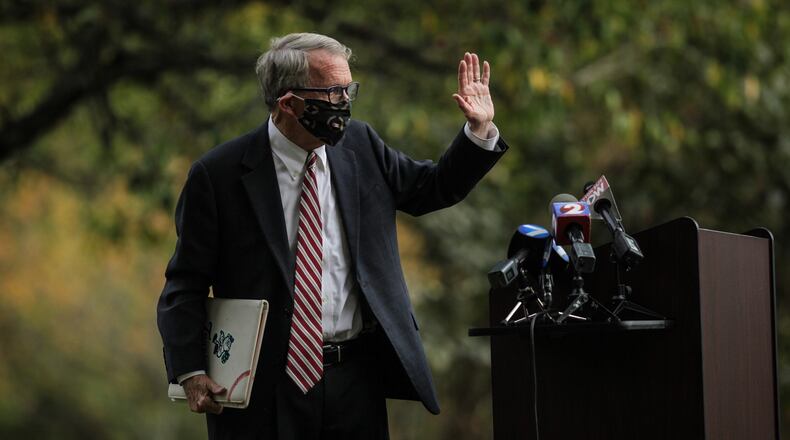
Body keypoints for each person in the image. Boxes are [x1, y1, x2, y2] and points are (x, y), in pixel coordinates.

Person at [157, 32, 508, 439]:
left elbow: (434, 187)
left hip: (356, 379)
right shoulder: (217, 176)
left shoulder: (361, 146)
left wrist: (479, 131)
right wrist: (191, 371)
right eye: (334, 92)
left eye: (349, 89)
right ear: (289, 104)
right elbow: (185, 284)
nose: (345, 103)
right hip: (263, 388)